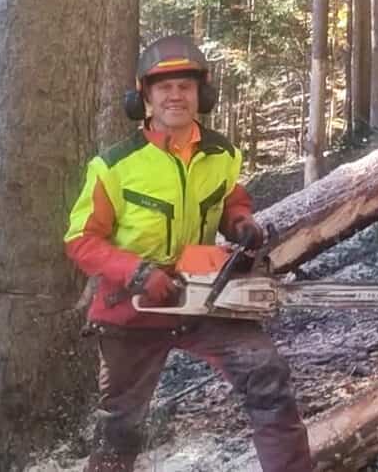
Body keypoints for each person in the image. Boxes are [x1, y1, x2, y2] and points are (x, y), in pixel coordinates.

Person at [65, 35, 312, 472]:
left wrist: (240, 222)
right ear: (144, 96)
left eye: (185, 85)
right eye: (164, 87)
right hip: (133, 304)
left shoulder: (222, 153)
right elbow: (81, 240)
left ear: (203, 93)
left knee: (266, 375)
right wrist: (137, 272)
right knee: (120, 425)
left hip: (202, 291)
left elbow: (229, 199)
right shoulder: (115, 165)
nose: (175, 95)